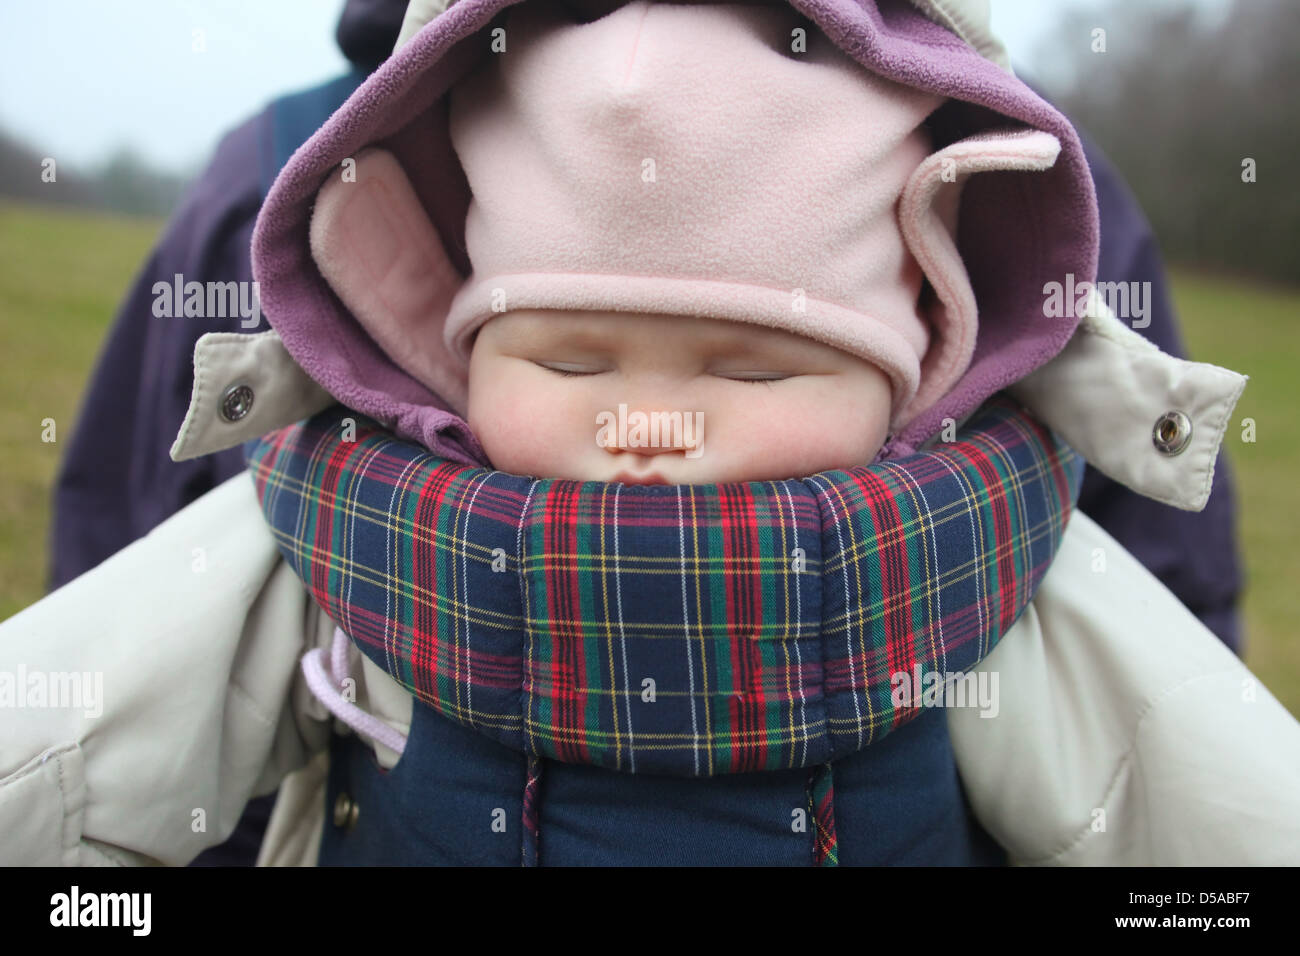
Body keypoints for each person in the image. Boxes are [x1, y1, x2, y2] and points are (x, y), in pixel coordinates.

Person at [24, 0, 1269, 866]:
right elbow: (86, 722)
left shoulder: (984, 558)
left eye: (760, 366)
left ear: (924, 376)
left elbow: (1191, 772)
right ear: (438, 354)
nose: (648, 422)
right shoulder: (341, 526)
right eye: (568, 360)